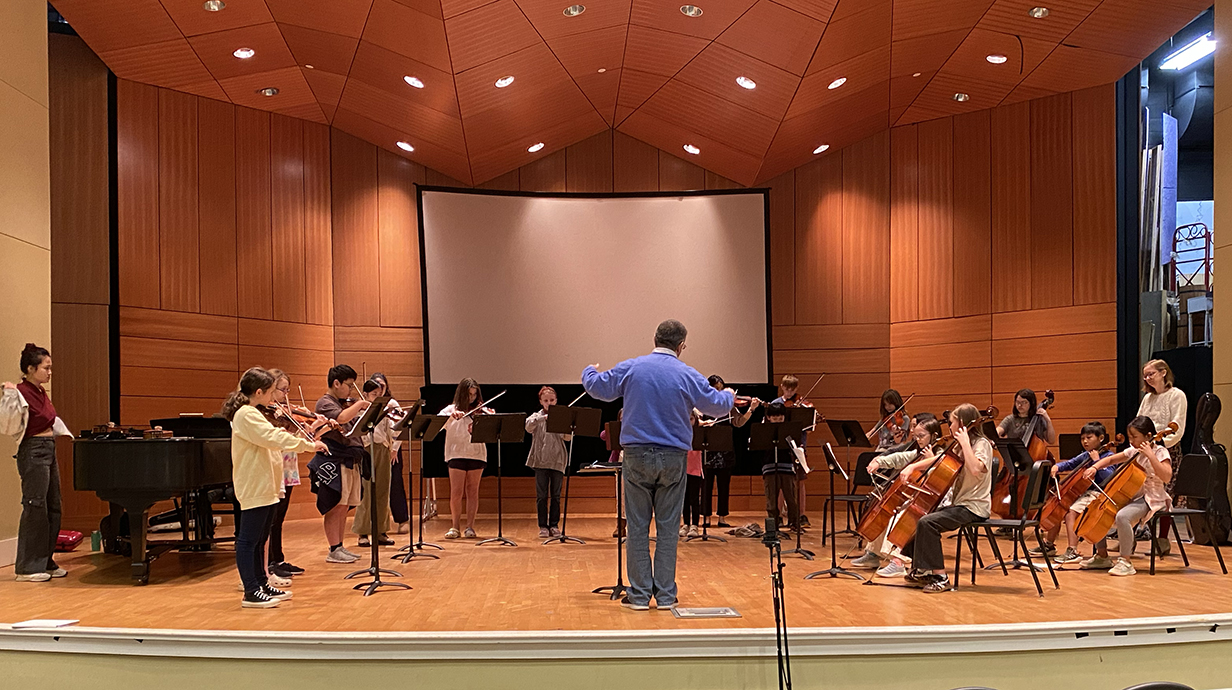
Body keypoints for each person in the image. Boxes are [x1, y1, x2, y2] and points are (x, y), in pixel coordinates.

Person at [582, 319, 734, 611]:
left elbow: (597, 387)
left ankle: (639, 595)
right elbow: (716, 405)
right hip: (673, 457)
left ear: (654, 339)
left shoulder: (633, 367)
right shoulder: (686, 373)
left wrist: (589, 370)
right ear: (681, 346)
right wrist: (728, 395)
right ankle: (665, 596)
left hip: (637, 456)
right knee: (667, 530)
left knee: (637, 528)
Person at [221, 367, 326, 608]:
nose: (272, 398)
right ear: (258, 392)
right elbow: (273, 438)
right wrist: (308, 446)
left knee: (260, 538)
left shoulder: (254, 412)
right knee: (249, 540)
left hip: (266, 484)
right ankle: (250, 590)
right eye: (270, 392)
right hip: (255, 484)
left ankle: (261, 582)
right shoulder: (246, 414)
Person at [896, 403, 993, 593]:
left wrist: (965, 443)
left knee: (928, 523)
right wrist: (913, 467)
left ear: (962, 424)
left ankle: (940, 576)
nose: (949, 426)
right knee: (920, 516)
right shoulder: (958, 445)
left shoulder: (982, 444)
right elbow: (940, 460)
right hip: (961, 505)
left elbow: (975, 469)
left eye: (952, 422)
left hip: (974, 507)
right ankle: (922, 570)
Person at [0, 344, 70, 583]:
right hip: (33, 451)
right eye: (46, 368)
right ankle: (28, 567)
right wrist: (9, 394)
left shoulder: (40, 391)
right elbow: (7, 424)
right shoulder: (19, 391)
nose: (50, 372)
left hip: (48, 448)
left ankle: (46, 560)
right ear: (31, 368)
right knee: (35, 505)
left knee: (54, 506)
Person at [1077, 416, 1173, 577]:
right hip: (1135, 494)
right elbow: (1111, 459)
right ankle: (1102, 556)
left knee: (1123, 516)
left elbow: (1166, 477)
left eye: (1135, 437)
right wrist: (1095, 467)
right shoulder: (1133, 451)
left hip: (1153, 497)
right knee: (1098, 510)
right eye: (1130, 437)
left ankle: (1125, 561)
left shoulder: (1160, 451)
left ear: (1148, 436)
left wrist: (1150, 455)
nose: (1132, 441)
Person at [850, 418, 943, 573]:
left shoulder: (940, 453)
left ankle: (898, 561)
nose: (918, 440)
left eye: (921, 436)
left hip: (935, 500)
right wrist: (879, 461)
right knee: (888, 511)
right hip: (918, 498)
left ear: (933, 436)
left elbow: (938, 477)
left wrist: (929, 459)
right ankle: (873, 553)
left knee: (899, 516)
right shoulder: (918, 452)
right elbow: (900, 458)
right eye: (916, 436)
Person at [266, 369, 328, 580]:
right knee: (272, 517)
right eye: (282, 390)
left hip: (288, 467)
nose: (286, 395)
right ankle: (270, 562)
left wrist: (315, 426)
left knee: (280, 516)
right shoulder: (267, 415)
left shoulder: (286, 413)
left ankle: (279, 558)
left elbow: (302, 438)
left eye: (287, 390)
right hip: (275, 467)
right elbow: (280, 439)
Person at [1029, 421, 1116, 564]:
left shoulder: (1108, 456)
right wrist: (1056, 467)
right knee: (1059, 505)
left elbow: (1107, 478)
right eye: (1082, 438)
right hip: (1084, 494)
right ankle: (1049, 544)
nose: (1085, 441)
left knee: (1070, 511)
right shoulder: (1085, 455)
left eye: (1089, 437)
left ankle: (1073, 550)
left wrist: (1097, 462)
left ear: (1101, 438)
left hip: (1098, 494)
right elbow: (1069, 464)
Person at [307, 364, 369, 564]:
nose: (351, 390)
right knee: (336, 505)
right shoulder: (325, 403)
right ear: (336, 383)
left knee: (344, 505)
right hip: (334, 459)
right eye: (349, 385)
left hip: (350, 458)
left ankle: (340, 546)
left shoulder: (342, 403)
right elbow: (341, 419)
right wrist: (360, 404)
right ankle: (334, 548)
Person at [1138, 359, 1187, 554]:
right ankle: (1134, 534)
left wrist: (1159, 444)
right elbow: (1139, 422)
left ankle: (1163, 539)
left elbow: (1177, 427)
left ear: (1163, 373)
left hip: (1168, 450)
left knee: (1165, 493)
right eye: (1145, 375)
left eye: (1151, 374)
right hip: (1147, 448)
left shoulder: (1177, 395)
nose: (1147, 378)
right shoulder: (1147, 399)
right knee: (1143, 489)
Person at [701, 375, 757, 528]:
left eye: (721, 388)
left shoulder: (729, 407)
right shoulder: (704, 405)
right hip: (708, 451)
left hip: (725, 451)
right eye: (715, 388)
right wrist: (704, 423)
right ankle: (706, 517)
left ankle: (722, 518)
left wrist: (751, 410)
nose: (718, 391)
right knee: (706, 486)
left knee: (723, 486)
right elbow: (696, 422)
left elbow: (738, 423)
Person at [440, 378, 492, 539]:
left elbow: (490, 429)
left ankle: (470, 527)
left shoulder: (480, 409)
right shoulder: (450, 410)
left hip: (476, 453)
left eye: (474, 394)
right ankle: (455, 526)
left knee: (472, 491)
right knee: (456, 492)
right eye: (469, 394)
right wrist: (451, 416)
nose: (472, 398)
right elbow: (438, 423)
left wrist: (488, 416)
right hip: (456, 454)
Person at [353, 377, 395, 547]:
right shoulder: (358, 411)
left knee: (383, 490)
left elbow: (389, 431)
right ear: (365, 394)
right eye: (373, 394)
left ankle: (381, 531)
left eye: (379, 394)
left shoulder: (383, 410)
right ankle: (363, 532)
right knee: (366, 492)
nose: (377, 397)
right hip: (366, 450)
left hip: (382, 449)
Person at [525, 386, 568, 538]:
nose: (549, 403)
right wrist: (542, 418)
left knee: (556, 495)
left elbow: (567, 437)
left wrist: (566, 425)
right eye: (546, 401)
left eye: (552, 400)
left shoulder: (562, 416)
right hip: (540, 461)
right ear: (541, 402)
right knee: (542, 495)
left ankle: (554, 525)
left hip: (557, 459)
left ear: (556, 401)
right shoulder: (535, 417)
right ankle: (543, 526)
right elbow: (528, 427)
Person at [772, 375, 814, 528]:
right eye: (786, 388)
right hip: (781, 447)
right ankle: (778, 516)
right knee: (781, 483)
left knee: (800, 482)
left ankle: (801, 515)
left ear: (796, 388)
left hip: (799, 447)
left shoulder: (803, 405)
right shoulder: (776, 404)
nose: (789, 392)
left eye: (792, 389)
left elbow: (809, 431)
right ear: (782, 386)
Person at [760, 402, 801, 535]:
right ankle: (773, 524)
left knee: (791, 498)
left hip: (787, 466)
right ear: (769, 418)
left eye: (780, 418)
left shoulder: (789, 429)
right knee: (771, 499)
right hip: (769, 466)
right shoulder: (763, 430)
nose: (778, 421)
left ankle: (794, 523)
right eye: (775, 419)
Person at [682, 410, 703, 538]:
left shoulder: (699, 434)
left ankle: (695, 525)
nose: (690, 422)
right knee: (684, 499)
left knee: (694, 499)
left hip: (695, 470)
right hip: (682, 469)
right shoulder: (680, 432)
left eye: (691, 419)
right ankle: (685, 524)